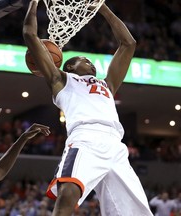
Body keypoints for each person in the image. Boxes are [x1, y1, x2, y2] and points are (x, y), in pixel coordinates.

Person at [23, 1, 153, 215]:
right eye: (84, 60)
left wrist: (101, 8)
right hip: (85, 138)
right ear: (70, 67)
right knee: (68, 192)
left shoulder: (107, 84)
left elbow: (128, 43)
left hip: (115, 145)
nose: (90, 62)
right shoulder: (61, 80)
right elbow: (29, 34)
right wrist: (34, 3)